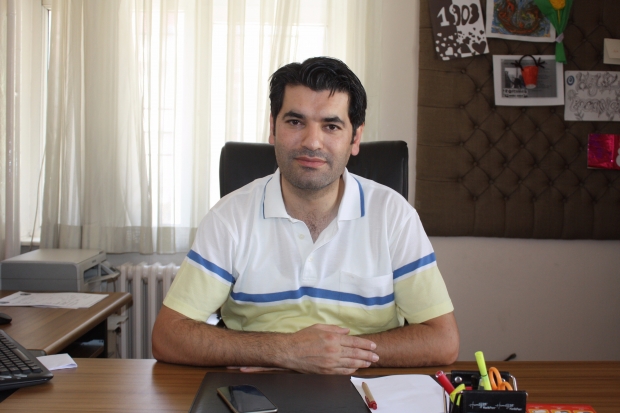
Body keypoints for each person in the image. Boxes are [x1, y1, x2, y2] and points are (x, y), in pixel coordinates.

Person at [152, 56, 459, 374]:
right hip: (259, 389)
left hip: (365, 387)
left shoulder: (394, 216)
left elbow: (443, 340)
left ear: (355, 138)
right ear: (273, 128)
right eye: (295, 122)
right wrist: (285, 351)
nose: (312, 142)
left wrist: (334, 354)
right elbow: (168, 336)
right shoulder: (229, 218)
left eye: (331, 126)